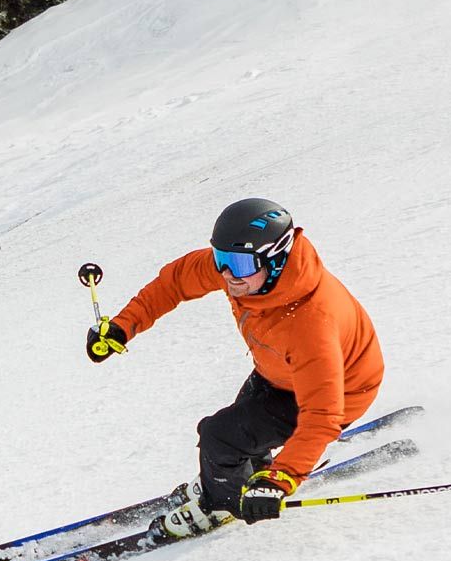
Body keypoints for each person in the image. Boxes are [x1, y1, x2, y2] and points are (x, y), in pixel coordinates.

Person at [83, 199, 383, 537]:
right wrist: (123, 326)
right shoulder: (248, 275)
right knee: (240, 425)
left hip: (344, 390)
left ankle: (222, 504)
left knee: (220, 436)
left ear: (276, 258)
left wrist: (282, 478)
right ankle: (238, 471)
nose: (226, 274)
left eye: (238, 263)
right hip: (279, 372)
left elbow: (322, 415)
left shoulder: (312, 323)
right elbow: (175, 282)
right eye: (220, 258)